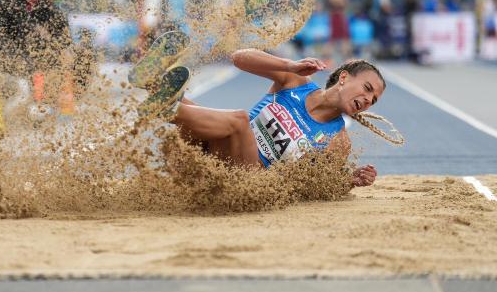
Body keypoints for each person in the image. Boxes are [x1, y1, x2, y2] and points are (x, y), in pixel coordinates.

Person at [146, 52, 402, 187]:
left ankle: (165, 105)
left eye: (374, 100)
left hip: (242, 182)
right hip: (210, 156)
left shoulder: (338, 141)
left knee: (238, 120)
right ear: (344, 77)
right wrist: (288, 65)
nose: (368, 100)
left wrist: (349, 181)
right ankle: (153, 84)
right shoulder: (295, 82)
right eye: (367, 88)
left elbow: (314, 187)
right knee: (205, 114)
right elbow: (239, 58)